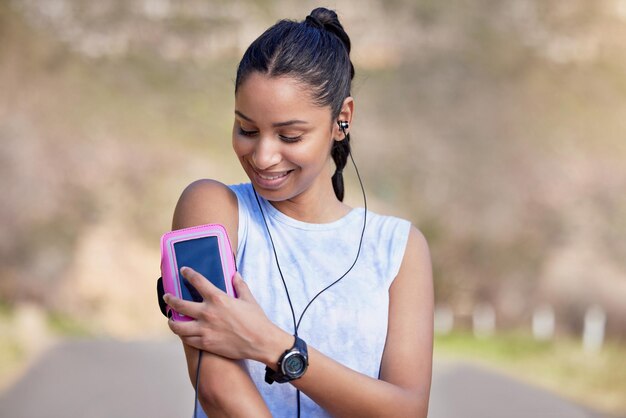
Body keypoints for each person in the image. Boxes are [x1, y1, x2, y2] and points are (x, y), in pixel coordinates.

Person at [162, 7, 433, 418]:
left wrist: (274, 346)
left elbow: (406, 410)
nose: (264, 156)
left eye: (290, 135)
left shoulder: (399, 249)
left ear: (342, 120)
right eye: (246, 130)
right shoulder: (213, 209)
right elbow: (217, 389)